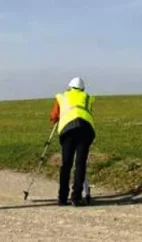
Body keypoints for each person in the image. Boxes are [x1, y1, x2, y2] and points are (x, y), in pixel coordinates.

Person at [50, 77, 96, 206]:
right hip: (86, 129)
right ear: (82, 88)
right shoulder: (88, 97)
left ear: (69, 87)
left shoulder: (62, 97)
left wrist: (57, 118)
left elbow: (53, 116)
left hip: (68, 130)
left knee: (66, 164)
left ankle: (62, 197)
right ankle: (76, 197)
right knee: (80, 164)